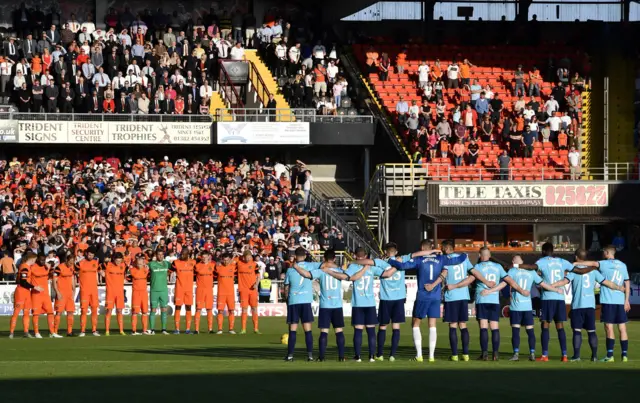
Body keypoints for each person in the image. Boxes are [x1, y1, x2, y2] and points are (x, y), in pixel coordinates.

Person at [386, 240, 467, 362]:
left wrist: (390, 260)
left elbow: (402, 266)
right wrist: (464, 254)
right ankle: (431, 356)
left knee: (415, 323)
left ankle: (419, 355)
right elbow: (458, 260)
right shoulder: (441, 259)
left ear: (423, 248)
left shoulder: (419, 260)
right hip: (435, 297)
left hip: (423, 296)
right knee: (432, 325)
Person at [550, 248, 623, 361]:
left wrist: (551, 285)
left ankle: (577, 356)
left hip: (578, 305)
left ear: (576, 257)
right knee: (591, 331)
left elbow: (564, 282)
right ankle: (594, 356)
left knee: (577, 331)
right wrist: (619, 287)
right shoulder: (593, 271)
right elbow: (606, 282)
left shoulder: (575, 270)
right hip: (590, 306)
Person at [571, 245, 630, 362]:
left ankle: (610, 355)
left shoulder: (604, 264)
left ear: (607, 252)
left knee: (609, 327)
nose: (603, 253)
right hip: (620, 300)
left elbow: (592, 264)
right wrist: (626, 300)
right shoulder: (623, 265)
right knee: (622, 328)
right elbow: (627, 283)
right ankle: (624, 355)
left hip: (608, 299)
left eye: (604, 251)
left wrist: (575, 264)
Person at [472, 247, 530, 360]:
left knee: (483, 326)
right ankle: (495, 354)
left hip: (482, 298)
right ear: (489, 255)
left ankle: (484, 354)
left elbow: (470, 278)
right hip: (494, 300)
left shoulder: (477, 267)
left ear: (480, 255)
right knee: (494, 327)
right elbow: (509, 280)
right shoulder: (498, 267)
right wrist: (521, 290)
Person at [441, 240, 494, 361]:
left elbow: (443, 274)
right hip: (463, 296)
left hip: (452, 296)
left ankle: (454, 355)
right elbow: (474, 273)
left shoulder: (446, 260)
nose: (441, 250)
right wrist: (486, 282)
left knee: (453, 325)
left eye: (442, 248)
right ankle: (466, 354)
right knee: (463, 325)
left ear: (446, 248)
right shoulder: (463, 258)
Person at [344, 247, 399, 362]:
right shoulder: (372, 267)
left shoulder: (352, 266)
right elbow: (387, 274)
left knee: (358, 330)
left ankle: (358, 357)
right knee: (371, 331)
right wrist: (397, 266)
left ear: (355, 255)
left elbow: (348, 277)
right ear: (365, 256)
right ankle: (371, 356)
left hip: (358, 303)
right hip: (370, 303)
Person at [291, 249, 346, 361]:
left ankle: (321, 357)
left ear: (324, 259)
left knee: (324, 331)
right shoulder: (340, 271)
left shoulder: (321, 271)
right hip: (337, 305)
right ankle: (341, 357)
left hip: (325, 305)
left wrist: (296, 267)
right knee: (339, 331)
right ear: (335, 258)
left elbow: (306, 274)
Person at [506, 255, 563, 361]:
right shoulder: (530, 272)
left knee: (516, 330)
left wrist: (492, 290)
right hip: (526, 306)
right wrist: (556, 290)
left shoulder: (512, 271)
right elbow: (543, 284)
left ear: (515, 262)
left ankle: (517, 354)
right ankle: (531, 353)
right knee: (529, 331)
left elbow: (505, 282)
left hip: (517, 306)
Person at [534, 242, 574, 361]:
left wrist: (539, 283)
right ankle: (565, 355)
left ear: (544, 251)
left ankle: (545, 355)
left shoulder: (541, 262)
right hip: (559, 298)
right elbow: (574, 270)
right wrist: (567, 280)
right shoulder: (562, 261)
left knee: (545, 325)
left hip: (547, 297)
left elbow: (534, 274)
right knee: (560, 326)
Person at [284, 247, 317, 362]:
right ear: (305, 256)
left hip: (294, 301)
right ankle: (310, 355)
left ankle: (290, 355)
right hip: (306, 300)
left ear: (295, 256)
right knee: (307, 329)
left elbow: (286, 287)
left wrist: (287, 300)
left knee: (292, 329)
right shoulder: (311, 266)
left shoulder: (290, 270)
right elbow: (323, 265)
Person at [30, 253, 62, 338]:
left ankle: (52, 332)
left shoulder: (46, 267)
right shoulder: (32, 267)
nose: (43, 262)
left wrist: (51, 269)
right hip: (36, 294)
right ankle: (36, 332)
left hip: (45, 294)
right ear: (37, 259)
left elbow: (51, 275)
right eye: (41, 260)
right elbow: (30, 278)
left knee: (50, 312)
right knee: (36, 314)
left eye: (44, 260)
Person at [9, 252, 37, 338]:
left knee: (26, 312)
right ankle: (11, 333)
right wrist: (34, 287)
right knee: (17, 312)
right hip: (21, 291)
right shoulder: (25, 267)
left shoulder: (26, 267)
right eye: (35, 260)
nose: (35, 262)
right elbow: (23, 282)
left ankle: (26, 332)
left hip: (26, 292)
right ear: (32, 259)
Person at [170, 250, 196, 334]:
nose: (182, 255)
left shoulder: (193, 263)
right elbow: (168, 270)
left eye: (184, 254)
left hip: (189, 289)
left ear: (188, 255)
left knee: (188, 307)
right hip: (179, 288)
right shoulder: (176, 262)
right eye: (181, 254)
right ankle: (177, 329)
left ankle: (188, 329)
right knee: (178, 307)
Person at [77, 247, 100, 337]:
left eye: (92, 255)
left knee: (94, 310)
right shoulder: (80, 263)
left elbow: (100, 272)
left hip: (93, 290)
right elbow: (72, 273)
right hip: (84, 291)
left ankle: (94, 330)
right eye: (89, 254)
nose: (90, 256)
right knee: (84, 311)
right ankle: (82, 330)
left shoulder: (96, 263)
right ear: (86, 254)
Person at [237, 251, 261, 334]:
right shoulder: (239, 263)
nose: (248, 258)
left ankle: (256, 328)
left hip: (252, 290)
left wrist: (256, 284)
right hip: (243, 290)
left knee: (254, 308)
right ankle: (243, 329)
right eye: (246, 257)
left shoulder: (254, 264)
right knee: (244, 309)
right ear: (243, 257)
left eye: (249, 257)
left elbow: (258, 276)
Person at [148, 249, 171, 335]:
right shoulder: (151, 264)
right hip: (154, 290)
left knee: (164, 309)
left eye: (162, 255)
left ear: (163, 256)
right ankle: (152, 329)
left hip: (163, 290)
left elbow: (175, 268)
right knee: (153, 309)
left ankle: (164, 329)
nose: (160, 256)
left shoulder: (167, 264)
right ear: (156, 255)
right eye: (159, 255)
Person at [53, 254, 76, 336]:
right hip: (61, 293)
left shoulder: (72, 267)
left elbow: (73, 278)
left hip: (69, 294)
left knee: (70, 312)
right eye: (70, 262)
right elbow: (54, 281)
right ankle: (55, 331)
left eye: (72, 263)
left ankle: (69, 331)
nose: (71, 264)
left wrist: (74, 290)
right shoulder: (59, 268)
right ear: (66, 260)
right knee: (58, 312)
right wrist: (57, 292)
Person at [103, 252, 126, 336]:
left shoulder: (123, 266)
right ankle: (107, 331)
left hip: (120, 292)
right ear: (114, 259)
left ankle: (121, 330)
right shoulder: (107, 265)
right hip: (110, 292)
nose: (118, 262)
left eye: (120, 261)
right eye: (117, 261)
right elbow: (97, 265)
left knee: (119, 310)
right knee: (109, 310)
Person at [215, 253, 237, 334]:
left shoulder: (233, 267)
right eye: (224, 260)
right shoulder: (218, 267)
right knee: (220, 311)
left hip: (230, 293)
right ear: (222, 260)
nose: (226, 261)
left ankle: (231, 329)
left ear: (229, 260)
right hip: (221, 293)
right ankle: (220, 329)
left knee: (231, 311)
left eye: (227, 260)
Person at [128, 254, 150, 335]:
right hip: (136, 293)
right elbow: (134, 275)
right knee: (135, 312)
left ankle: (144, 330)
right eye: (138, 263)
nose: (140, 264)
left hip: (144, 292)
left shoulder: (146, 269)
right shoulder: (133, 270)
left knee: (144, 311)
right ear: (136, 263)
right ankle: (134, 330)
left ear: (143, 262)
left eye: (141, 262)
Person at [194, 250, 215, 334]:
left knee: (209, 309)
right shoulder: (197, 266)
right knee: (198, 308)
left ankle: (210, 329)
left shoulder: (213, 266)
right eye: (203, 257)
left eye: (206, 257)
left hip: (209, 289)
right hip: (200, 289)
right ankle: (196, 329)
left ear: (209, 257)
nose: (204, 258)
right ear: (201, 257)